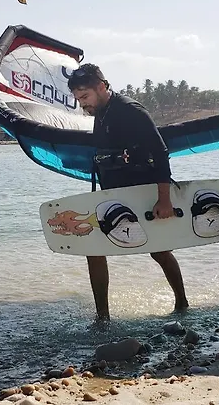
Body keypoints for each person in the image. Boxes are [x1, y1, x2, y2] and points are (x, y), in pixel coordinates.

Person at [67, 63, 189, 323]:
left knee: (158, 251)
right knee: (93, 248)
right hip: (113, 195)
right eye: (78, 99)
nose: (83, 104)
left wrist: (164, 199)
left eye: (85, 96)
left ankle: (182, 303)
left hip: (141, 193)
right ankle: (103, 317)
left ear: (102, 87)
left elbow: (160, 153)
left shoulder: (131, 111)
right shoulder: (101, 113)